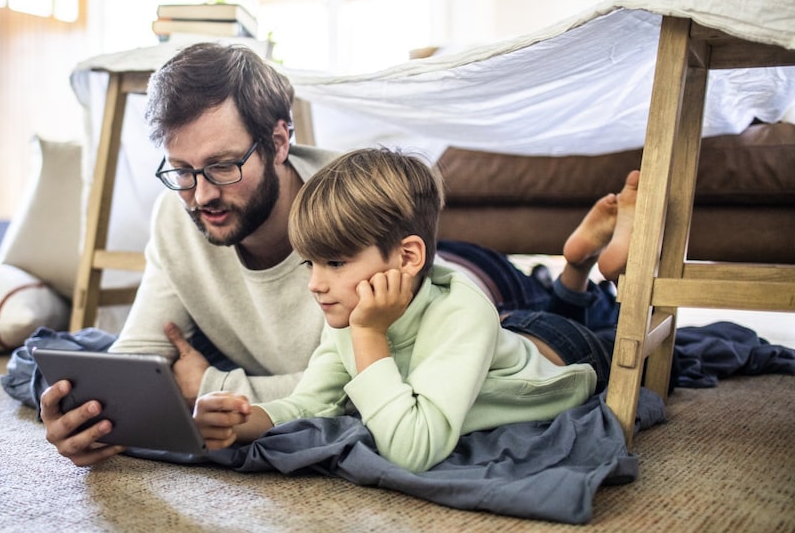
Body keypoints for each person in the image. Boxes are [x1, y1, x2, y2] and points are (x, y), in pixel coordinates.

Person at [193, 148, 637, 473]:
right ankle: (577, 264)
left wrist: (369, 335)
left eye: (335, 262)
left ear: (407, 257)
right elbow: (312, 403)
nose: (315, 284)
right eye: (310, 263)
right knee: (530, 320)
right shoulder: (352, 315)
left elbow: (412, 449)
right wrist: (242, 421)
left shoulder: (449, 314)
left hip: (563, 352)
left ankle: (604, 271)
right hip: (502, 334)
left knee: (631, 345)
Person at [41, 42, 340, 466]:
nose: (201, 196)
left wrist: (209, 384)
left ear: (278, 142)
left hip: (441, 278)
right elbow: (138, 356)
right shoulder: (176, 215)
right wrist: (96, 418)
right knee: (46, 368)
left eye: (222, 166)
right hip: (254, 358)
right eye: (181, 170)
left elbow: (363, 383)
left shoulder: (352, 209)